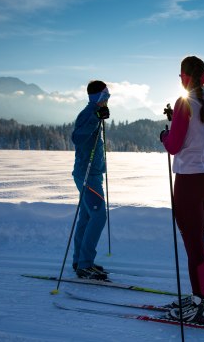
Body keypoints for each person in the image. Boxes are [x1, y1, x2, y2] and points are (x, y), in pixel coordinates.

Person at [160, 56, 204, 324]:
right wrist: (178, 120)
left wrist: (165, 134)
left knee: (192, 243)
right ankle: (203, 293)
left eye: (180, 76)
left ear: (185, 77)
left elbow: (174, 145)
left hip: (190, 180)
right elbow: (203, 130)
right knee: (199, 238)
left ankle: (199, 305)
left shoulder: (184, 102)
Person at [71, 80, 111, 280]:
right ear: (98, 97)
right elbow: (77, 138)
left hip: (91, 173)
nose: (107, 100)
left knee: (87, 217)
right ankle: (85, 264)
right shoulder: (88, 114)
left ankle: (80, 261)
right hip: (87, 174)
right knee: (99, 216)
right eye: (105, 96)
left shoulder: (94, 113)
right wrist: (95, 119)